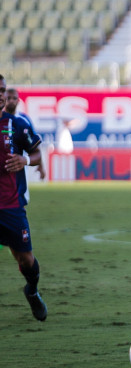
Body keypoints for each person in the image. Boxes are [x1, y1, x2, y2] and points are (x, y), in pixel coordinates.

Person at [0, 75, 48, 321]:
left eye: (2, 90)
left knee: (26, 259)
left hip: (10, 205)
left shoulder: (18, 124)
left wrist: (26, 160)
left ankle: (32, 291)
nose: (1, 95)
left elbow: (37, 152)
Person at [3, 88, 46, 180]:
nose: (11, 101)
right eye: (8, 98)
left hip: (17, 171)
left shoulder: (24, 121)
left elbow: (33, 146)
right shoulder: (2, 120)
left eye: (14, 98)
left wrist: (40, 165)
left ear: (18, 101)